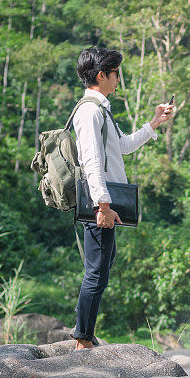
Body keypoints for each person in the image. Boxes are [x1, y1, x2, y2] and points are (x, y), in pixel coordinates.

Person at [69, 47, 175, 351]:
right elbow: (90, 161)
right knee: (97, 271)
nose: (119, 79)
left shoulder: (100, 109)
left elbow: (123, 146)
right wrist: (103, 205)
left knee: (102, 265)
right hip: (100, 205)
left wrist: (154, 122)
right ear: (102, 75)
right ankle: (83, 341)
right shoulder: (89, 111)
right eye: (116, 73)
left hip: (105, 204)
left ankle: (83, 334)